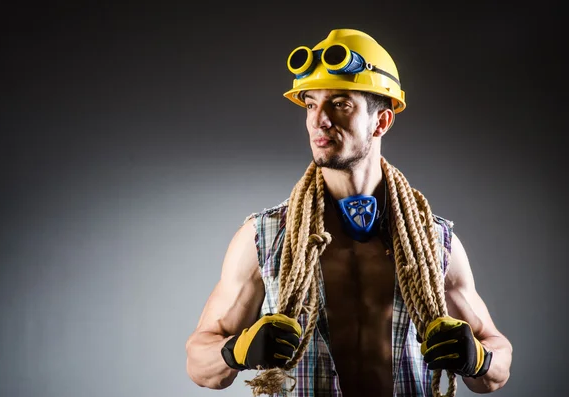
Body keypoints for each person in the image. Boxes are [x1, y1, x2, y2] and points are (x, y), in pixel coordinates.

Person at [185, 28, 513, 397]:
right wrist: (235, 351)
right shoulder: (264, 238)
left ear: (381, 121)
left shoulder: (433, 242)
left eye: (340, 104)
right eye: (311, 104)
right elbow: (200, 364)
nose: (318, 120)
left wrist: (479, 358)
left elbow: (494, 369)